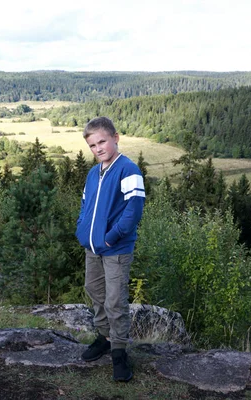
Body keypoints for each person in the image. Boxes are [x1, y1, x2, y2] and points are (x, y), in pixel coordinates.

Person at [75, 116, 145, 382]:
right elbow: (85, 205)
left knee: (116, 300)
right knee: (95, 291)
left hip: (115, 249)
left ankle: (119, 353)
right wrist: (82, 230)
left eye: (102, 141)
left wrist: (112, 236)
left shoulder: (128, 169)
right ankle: (104, 337)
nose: (98, 149)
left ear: (115, 138)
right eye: (92, 145)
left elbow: (133, 210)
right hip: (92, 246)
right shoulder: (94, 173)